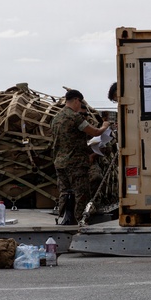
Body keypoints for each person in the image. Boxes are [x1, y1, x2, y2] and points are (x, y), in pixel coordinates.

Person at [51, 89, 110, 225]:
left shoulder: (56, 118)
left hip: (59, 162)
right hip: (75, 163)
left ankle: (65, 218)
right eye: (80, 102)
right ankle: (80, 221)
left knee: (65, 192)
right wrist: (105, 126)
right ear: (77, 100)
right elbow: (95, 132)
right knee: (81, 193)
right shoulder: (74, 117)